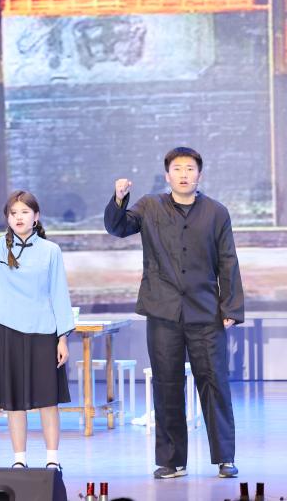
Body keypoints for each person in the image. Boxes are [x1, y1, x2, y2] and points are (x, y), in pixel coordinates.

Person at [104, 147, 243, 480]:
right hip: (163, 311)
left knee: (215, 383)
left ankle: (224, 458)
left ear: (199, 174)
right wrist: (119, 199)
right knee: (167, 385)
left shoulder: (216, 212)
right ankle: (171, 461)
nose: (184, 174)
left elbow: (228, 260)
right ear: (167, 175)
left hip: (205, 312)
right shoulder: (150, 206)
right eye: (177, 169)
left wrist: (230, 307)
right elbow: (118, 227)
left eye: (190, 168)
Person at [0, 176, 73, 470]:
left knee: (48, 401)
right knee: (14, 401)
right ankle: (19, 459)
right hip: (9, 331)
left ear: (36, 217)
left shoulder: (50, 250)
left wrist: (62, 338)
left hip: (44, 333)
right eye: (13, 213)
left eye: (24, 212)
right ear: (7, 218)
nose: (19, 217)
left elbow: (59, 294)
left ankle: (52, 459)